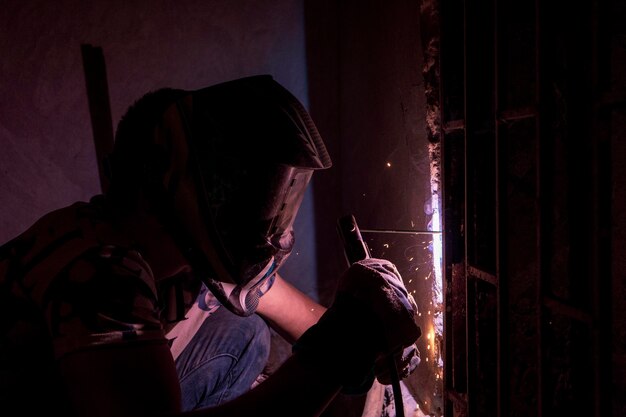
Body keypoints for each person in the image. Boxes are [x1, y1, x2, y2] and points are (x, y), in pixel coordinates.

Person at [0, 75, 420, 417]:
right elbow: (329, 350)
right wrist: (342, 347)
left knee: (244, 332)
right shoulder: (99, 269)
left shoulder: (192, 251)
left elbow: (302, 318)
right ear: (173, 179)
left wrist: (371, 338)